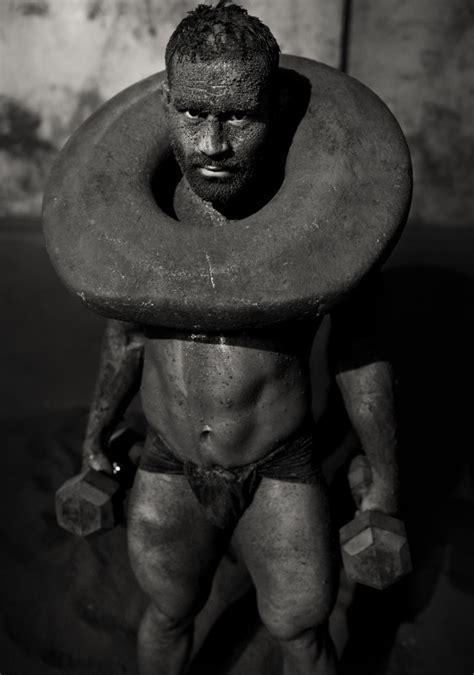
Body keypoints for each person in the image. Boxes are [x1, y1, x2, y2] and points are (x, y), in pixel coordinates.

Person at [80, 3, 400, 673]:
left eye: (239, 117)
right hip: (169, 462)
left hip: (278, 466)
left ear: (277, 108)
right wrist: (96, 435)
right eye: (193, 114)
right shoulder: (142, 224)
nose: (213, 145)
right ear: (166, 103)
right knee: (168, 612)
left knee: (300, 629)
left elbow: (357, 357)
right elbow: (126, 338)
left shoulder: (321, 227)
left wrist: (383, 486)